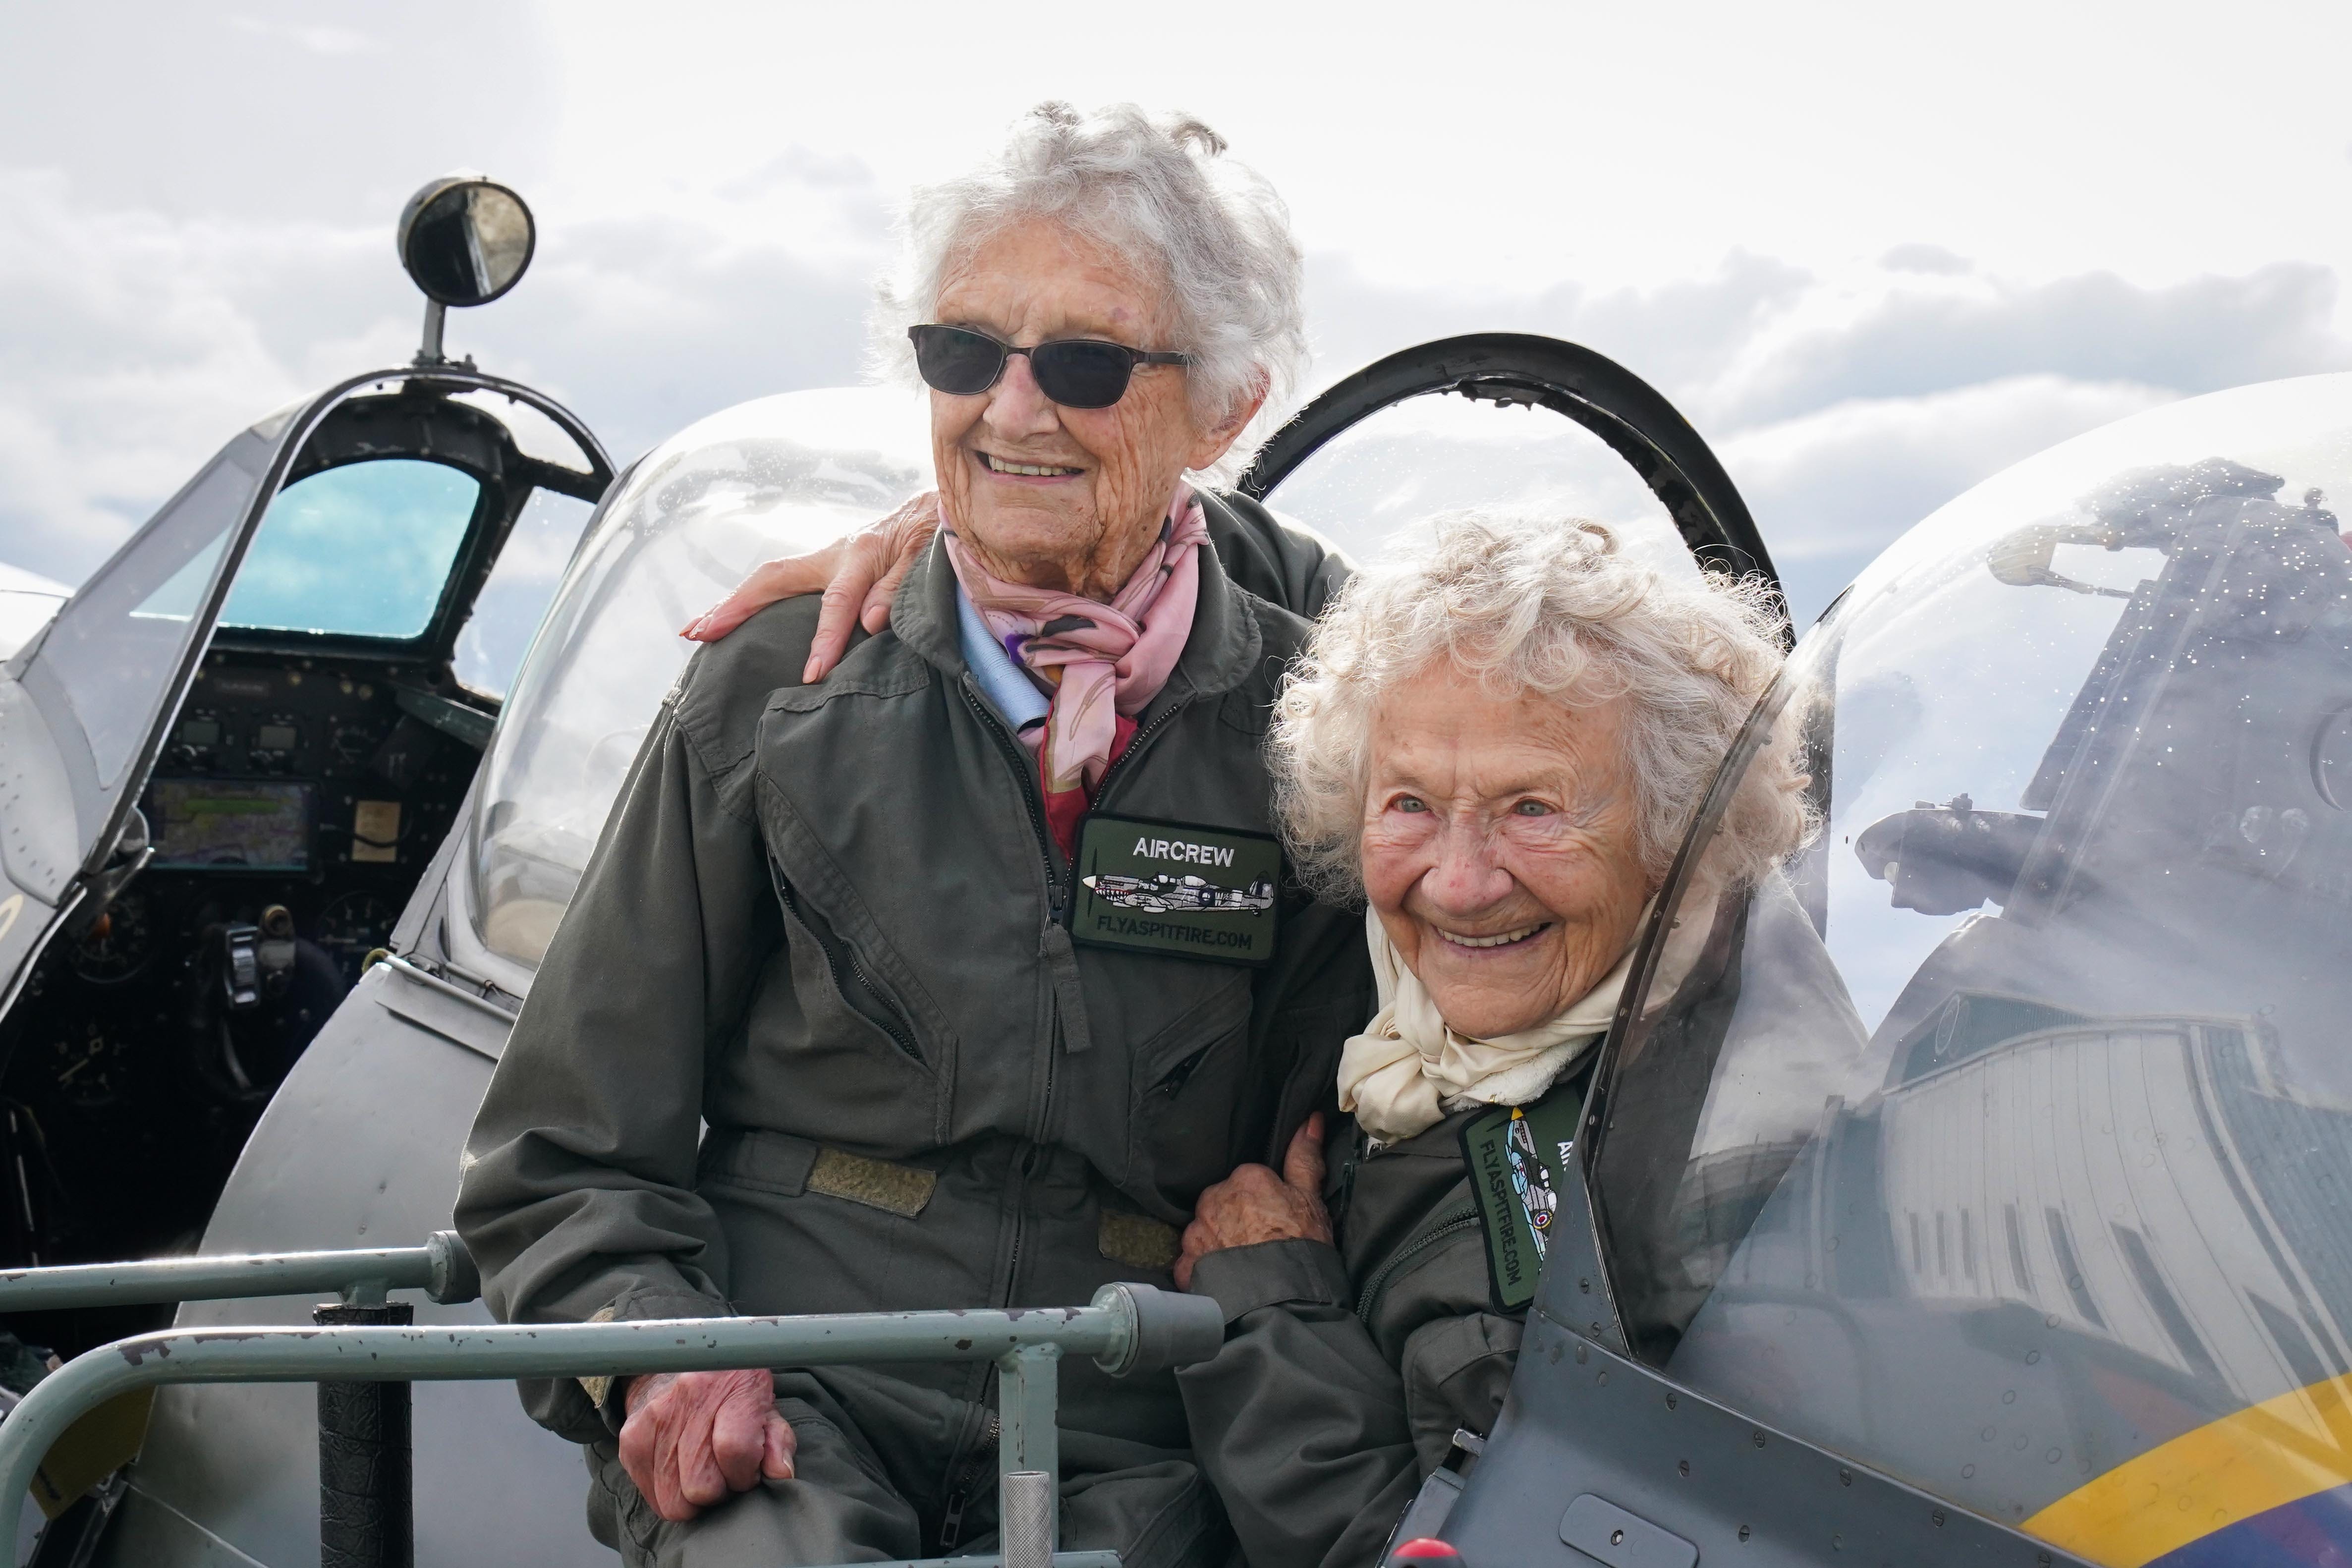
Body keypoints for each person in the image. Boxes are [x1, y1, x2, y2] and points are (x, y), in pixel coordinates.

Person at [454, 102, 1374, 1568]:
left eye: (1084, 362)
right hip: (789, 1383)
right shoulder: (779, 681)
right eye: (962, 353)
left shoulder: (1326, 729)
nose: (1011, 411)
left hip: (1143, 1419)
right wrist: (655, 1349)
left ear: (1226, 408)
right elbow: (559, 1151)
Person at [1166, 510, 1803, 1568]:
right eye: (1410, 802)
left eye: (1533, 809)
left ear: (1679, 825)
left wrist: (1269, 1313)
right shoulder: (1397, 998)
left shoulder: (1713, 1163)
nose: (1459, 884)